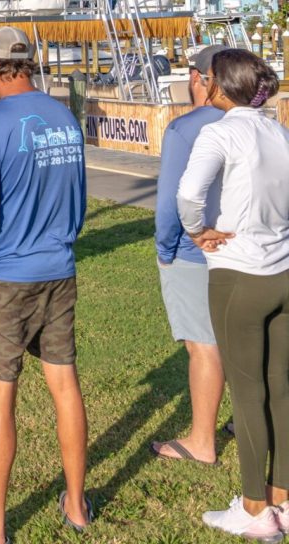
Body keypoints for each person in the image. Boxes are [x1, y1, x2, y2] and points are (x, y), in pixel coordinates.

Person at [0, 27, 91, 543]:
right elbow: (79, 199)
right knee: (65, 386)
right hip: (59, 268)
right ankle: (76, 504)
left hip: (4, 276)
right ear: (30, 63)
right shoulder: (65, 118)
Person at [177, 49, 289, 539]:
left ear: (219, 86)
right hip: (284, 270)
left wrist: (197, 230)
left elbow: (187, 194)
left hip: (239, 273)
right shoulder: (279, 132)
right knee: (282, 390)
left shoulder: (219, 131)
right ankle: (283, 498)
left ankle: (254, 507)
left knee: (248, 395)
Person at [148, 44, 226, 466]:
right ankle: (252, 420)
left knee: (204, 345)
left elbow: (170, 204)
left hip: (193, 251)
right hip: (245, 251)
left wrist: (164, 250)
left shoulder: (185, 129)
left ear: (198, 78)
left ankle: (202, 441)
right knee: (243, 343)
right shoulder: (260, 125)